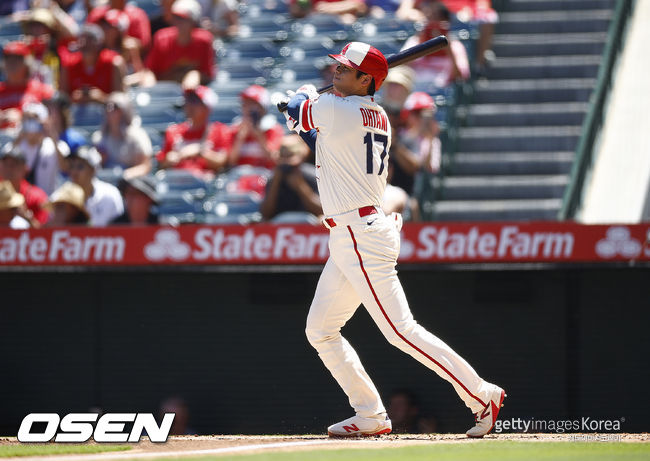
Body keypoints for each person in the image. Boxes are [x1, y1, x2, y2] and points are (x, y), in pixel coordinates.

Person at [283, 41, 505, 437]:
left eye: (345, 69)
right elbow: (319, 142)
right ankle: (369, 413)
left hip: (360, 236)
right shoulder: (378, 114)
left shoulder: (336, 108)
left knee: (401, 330)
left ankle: (480, 393)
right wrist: (300, 110)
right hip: (354, 234)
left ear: (366, 78)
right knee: (320, 329)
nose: (336, 71)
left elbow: (304, 112)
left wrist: (296, 100)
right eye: (337, 66)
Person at [156, 85, 230, 179]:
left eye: (195, 101)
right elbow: (161, 163)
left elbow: (221, 162)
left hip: (203, 184)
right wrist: (169, 159)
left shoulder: (219, 131)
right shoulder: (173, 131)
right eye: (188, 100)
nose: (189, 105)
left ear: (207, 107)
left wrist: (200, 152)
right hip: (176, 180)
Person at [402, 0, 470, 89]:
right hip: (415, 90)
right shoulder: (414, 41)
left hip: (444, 93)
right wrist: (420, 45)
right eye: (428, 18)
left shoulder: (456, 46)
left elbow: (460, 77)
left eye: (436, 18)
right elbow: (401, 68)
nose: (432, 22)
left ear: (446, 21)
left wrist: (448, 50)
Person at [145, 0, 215, 85]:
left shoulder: (204, 40)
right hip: (164, 91)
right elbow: (150, 71)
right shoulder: (162, 38)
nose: (178, 22)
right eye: (175, 17)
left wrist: (195, 75)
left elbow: (208, 75)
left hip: (192, 94)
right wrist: (150, 88)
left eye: (182, 18)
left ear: (193, 21)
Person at [259, 134, 322, 221]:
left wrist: (301, 186)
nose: (287, 164)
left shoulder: (312, 175)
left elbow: (321, 211)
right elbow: (266, 214)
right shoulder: (273, 177)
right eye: (284, 157)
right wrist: (275, 182)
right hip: (280, 229)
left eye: (290, 157)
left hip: (309, 229)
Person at [59, 24, 126, 104]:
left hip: (106, 113)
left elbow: (121, 100)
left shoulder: (114, 62)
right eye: (81, 39)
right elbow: (62, 99)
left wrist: (102, 98)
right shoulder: (69, 64)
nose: (84, 43)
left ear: (99, 43)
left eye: (90, 39)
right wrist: (74, 99)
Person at [92, 91, 153, 179]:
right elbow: (96, 165)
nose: (110, 110)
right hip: (106, 180)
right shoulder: (99, 137)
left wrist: (124, 176)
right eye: (106, 106)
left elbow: (145, 166)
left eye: (115, 107)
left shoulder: (138, 136)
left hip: (131, 182)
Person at [13, 102, 67, 195]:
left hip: (47, 204)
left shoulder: (56, 146)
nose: (31, 124)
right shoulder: (15, 146)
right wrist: (19, 136)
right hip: (20, 202)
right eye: (28, 120)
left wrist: (52, 134)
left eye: (35, 120)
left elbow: (65, 168)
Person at [0, 41, 55, 130]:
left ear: (27, 63)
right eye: (8, 59)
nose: (12, 64)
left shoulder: (43, 91)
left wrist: (21, 117)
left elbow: (53, 120)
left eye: (17, 60)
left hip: (32, 139)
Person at [228, 85, 284, 169]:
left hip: (265, 175)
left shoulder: (273, 129)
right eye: (245, 104)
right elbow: (230, 162)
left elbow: (274, 160)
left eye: (252, 104)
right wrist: (240, 138)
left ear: (262, 107)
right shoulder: (235, 128)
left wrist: (258, 135)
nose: (248, 108)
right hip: (239, 175)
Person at [67, 145, 124, 226]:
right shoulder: (62, 195)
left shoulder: (110, 194)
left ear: (93, 170)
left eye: (80, 167)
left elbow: (119, 230)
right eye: (71, 166)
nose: (74, 172)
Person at [0, 143, 50, 227]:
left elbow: (45, 232)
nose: (8, 169)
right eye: (5, 164)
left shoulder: (37, 196)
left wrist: (26, 217)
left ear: (25, 168)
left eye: (14, 165)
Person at [86, 0, 152, 53]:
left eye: (112, 27)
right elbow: (86, 39)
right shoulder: (97, 13)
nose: (109, 30)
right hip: (101, 60)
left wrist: (122, 43)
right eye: (106, 26)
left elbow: (144, 45)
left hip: (127, 59)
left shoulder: (137, 15)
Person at [289, 0, 368, 24]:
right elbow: (295, 10)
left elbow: (359, 6)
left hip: (343, 23)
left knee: (348, 19)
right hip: (316, 22)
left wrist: (330, 9)